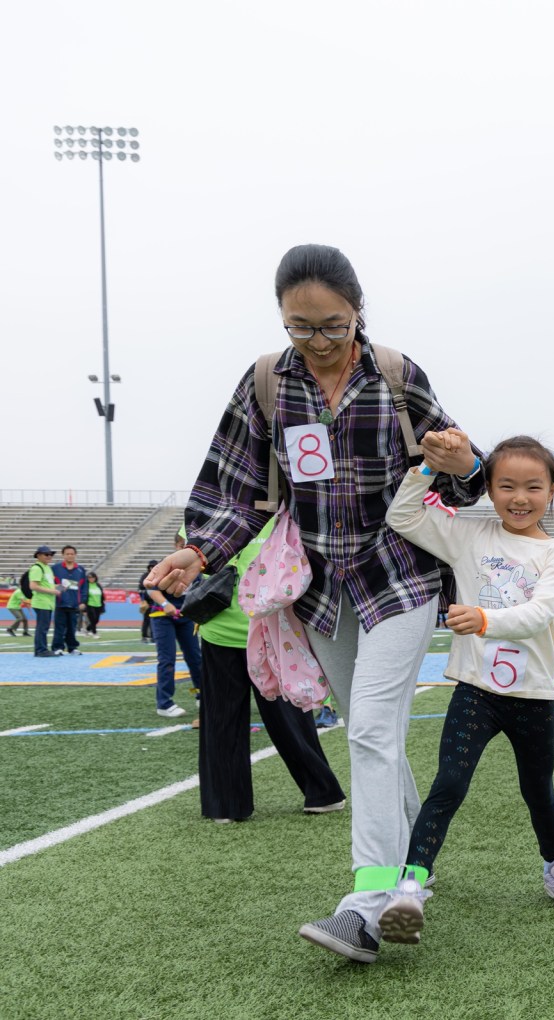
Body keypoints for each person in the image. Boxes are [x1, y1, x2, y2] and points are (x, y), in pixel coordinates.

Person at [146, 243, 486, 964]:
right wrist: (197, 549)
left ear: (357, 312)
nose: (319, 342)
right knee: (374, 730)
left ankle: (366, 904)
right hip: (322, 589)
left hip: (401, 576)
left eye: (333, 326)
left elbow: (460, 473)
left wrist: (462, 463)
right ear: (282, 322)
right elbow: (235, 486)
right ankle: (414, 863)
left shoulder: (397, 375)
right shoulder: (268, 383)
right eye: (300, 328)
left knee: (367, 729)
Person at [381, 434, 554, 944]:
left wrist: (481, 618)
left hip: (533, 696)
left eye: (533, 487)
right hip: (475, 689)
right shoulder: (471, 534)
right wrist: (428, 467)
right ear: (489, 490)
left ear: (553, 491)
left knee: (537, 791)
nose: (520, 498)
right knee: (448, 785)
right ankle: (411, 884)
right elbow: (402, 517)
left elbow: (540, 613)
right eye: (507, 486)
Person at [199, 518, 347, 822]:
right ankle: (226, 804)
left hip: (273, 633)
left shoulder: (285, 517)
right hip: (219, 632)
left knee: (290, 718)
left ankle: (322, 791)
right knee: (221, 719)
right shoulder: (199, 522)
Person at [145, 534, 205, 720]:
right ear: (176, 545)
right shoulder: (168, 564)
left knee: (195, 657)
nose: (186, 548)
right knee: (167, 660)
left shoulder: (198, 569)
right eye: (182, 545)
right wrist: (165, 604)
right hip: (162, 616)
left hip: (186, 617)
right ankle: (164, 703)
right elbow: (151, 588)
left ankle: (201, 694)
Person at [50, 545, 88, 655]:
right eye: (67, 554)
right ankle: (57, 647)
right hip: (60, 603)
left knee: (72, 627)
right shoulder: (55, 568)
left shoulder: (80, 570)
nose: (70, 556)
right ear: (63, 555)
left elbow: (84, 587)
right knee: (59, 627)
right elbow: (50, 584)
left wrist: (83, 602)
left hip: (75, 604)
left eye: (72, 554)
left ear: (75, 555)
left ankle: (72, 647)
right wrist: (60, 589)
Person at [26, 547, 58, 658]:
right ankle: (41, 649)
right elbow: (33, 586)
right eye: (46, 554)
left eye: (50, 554)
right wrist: (52, 591)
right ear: (38, 555)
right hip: (41, 602)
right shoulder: (37, 568)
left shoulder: (47, 568)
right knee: (42, 627)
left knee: (44, 626)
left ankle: (41, 649)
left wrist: (58, 588)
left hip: (47, 602)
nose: (49, 556)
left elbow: (47, 584)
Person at [137, 560, 156, 643]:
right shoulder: (145, 576)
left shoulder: (159, 576)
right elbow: (140, 588)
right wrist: (143, 600)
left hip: (156, 601)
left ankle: (153, 636)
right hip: (147, 601)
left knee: (154, 619)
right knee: (146, 620)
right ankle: (144, 636)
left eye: (154, 566)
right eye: (151, 566)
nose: (152, 568)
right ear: (149, 567)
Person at [83, 572, 105, 638]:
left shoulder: (98, 585)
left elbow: (102, 596)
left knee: (96, 620)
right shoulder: (86, 586)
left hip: (98, 605)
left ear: (95, 578)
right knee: (93, 619)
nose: (91, 579)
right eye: (89, 578)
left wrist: (102, 605)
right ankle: (94, 633)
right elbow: (84, 595)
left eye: (92, 577)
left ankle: (87, 629)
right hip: (89, 605)